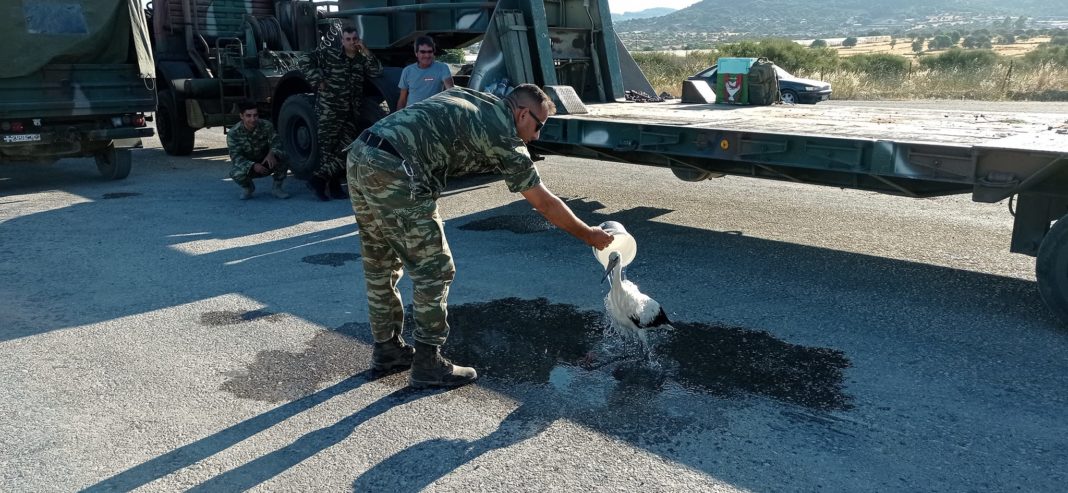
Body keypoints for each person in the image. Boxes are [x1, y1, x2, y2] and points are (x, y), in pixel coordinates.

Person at [346, 84, 614, 388]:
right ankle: (428, 364)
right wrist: (588, 234)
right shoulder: (503, 136)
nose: (537, 135)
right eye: (538, 126)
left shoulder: (479, 99)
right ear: (523, 113)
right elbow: (544, 203)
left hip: (361, 153)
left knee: (380, 262)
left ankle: (387, 350)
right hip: (397, 168)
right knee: (434, 269)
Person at [303, 26, 382, 201]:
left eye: (355, 39)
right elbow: (304, 60)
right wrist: (318, 80)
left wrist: (366, 51)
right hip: (328, 110)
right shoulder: (329, 54)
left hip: (350, 112)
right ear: (342, 40)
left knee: (346, 149)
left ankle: (318, 179)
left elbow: (376, 70)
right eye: (348, 39)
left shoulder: (362, 59)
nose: (352, 42)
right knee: (327, 150)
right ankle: (331, 187)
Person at [227, 101, 290, 200]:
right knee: (235, 173)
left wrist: (271, 153)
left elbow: (277, 142)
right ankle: (249, 188)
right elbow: (236, 157)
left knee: (284, 155)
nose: (253, 119)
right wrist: (253, 165)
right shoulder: (233, 133)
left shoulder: (266, 125)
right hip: (250, 166)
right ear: (241, 116)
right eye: (248, 116)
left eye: (255, 115)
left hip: (267, 162)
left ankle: (277, 188)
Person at [396, 36, 454, 110]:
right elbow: (402, 99)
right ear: (416, 53)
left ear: (433, 53)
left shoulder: (442, 68)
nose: (427, 55)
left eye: (430, 52)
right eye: (423, 52)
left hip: (432, 113)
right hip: (412, 114)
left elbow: (450, 89)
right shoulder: (407, 71)